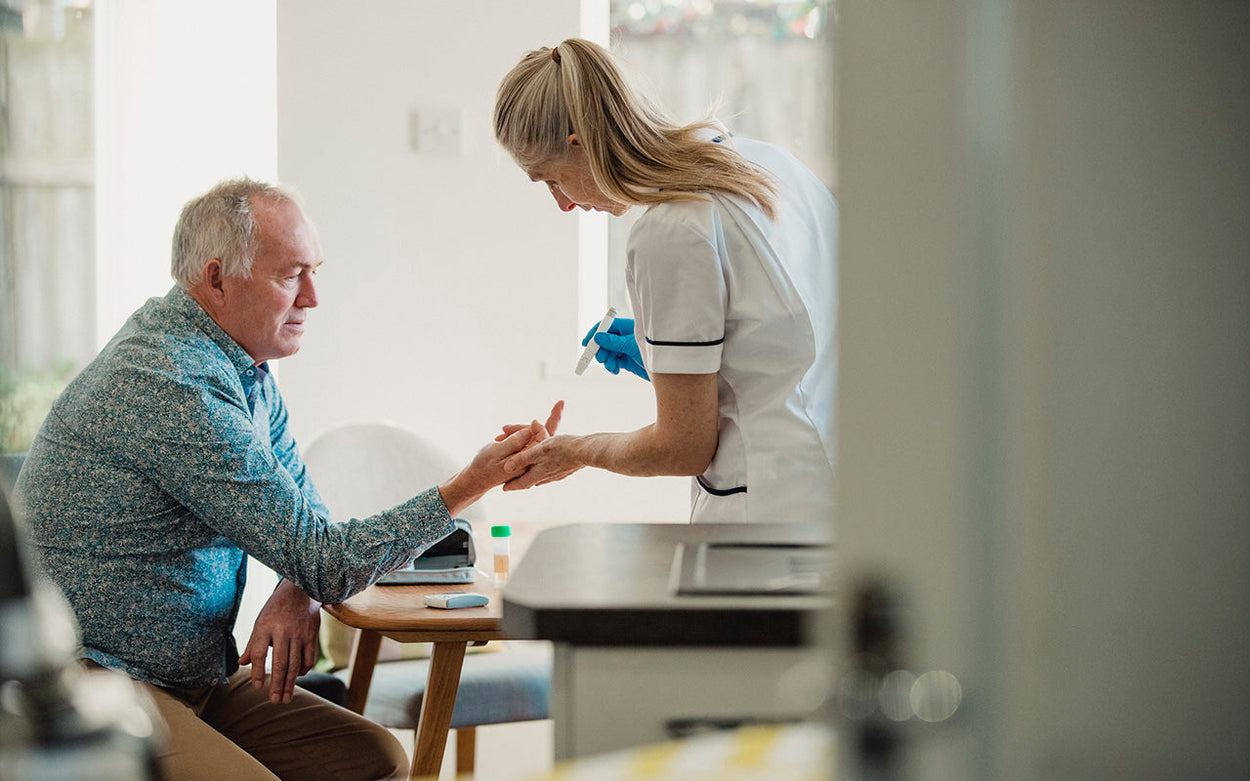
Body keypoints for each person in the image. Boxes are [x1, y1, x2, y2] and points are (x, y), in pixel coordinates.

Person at [13, 177, 540, 780]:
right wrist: (467, 486)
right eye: (291, 275)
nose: (313, 297)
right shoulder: (172, 381)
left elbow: (307, 527)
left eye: (314, 271)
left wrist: (298, 586)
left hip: (196, 676)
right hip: (102, 680)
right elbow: (325, 556)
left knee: (375, 762)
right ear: (215, 280)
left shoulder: (247, 369)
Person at [492, 38, 837, 525]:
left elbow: (681, 450)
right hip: (841, 493)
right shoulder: (771, 166)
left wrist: (573, 451)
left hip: (770, 522)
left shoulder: (669, 229)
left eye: (550, 179)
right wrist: (669, 357)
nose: (563, 204)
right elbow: (786, 341)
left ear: (581, 145)